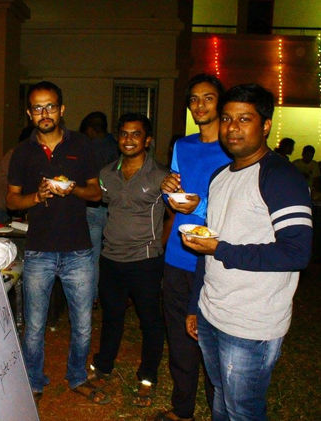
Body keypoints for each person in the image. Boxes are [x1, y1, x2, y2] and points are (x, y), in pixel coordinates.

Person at [184, 83, 312, 421]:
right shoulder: (220, 176)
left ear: (265, 125)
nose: (232, 128)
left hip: (251, 325)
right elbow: (209, 245)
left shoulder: (280, 176)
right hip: (212, 313)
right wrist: (196, 304)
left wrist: (221, 249)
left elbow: (297, 252)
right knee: (220, 399)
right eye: (227, 118)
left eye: (244, 119)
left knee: (243, 411)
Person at [6, 81, 108, 405]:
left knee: (83, 324)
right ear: (29, 113)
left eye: (50, 106)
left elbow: (96, 193)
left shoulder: (81, 144)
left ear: (61, 109)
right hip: (39, 250)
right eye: (38, 108)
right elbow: (11, 200)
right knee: (34, 325)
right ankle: (34, 381)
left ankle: (77, 376)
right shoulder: (22, 152)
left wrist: (73, 189)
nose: (45, 113)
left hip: (79, 250)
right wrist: (37, 196)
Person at [158, 73, 231, 421]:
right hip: (178, 255)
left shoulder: (232, 149)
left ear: (221, 103)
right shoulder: (183, 146)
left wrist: (199, 207)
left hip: (213, 258)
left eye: (208, 98)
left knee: (213, 342)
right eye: (194, 99)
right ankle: (182, 409)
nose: (199, 105)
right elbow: (176, 193)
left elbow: (234, 207)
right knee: (179, 339)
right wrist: (167, 189)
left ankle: (220, 411)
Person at [90, 113, 168, 408]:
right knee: (111, 317)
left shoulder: (161, 176)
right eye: (124, 133)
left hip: (144, 261)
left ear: (147, 140)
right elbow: (103, 203)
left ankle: (147, 377)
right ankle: (104, 366)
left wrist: (158, 247)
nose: (129, 139)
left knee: (150, 321)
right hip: (111, 258)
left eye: (136, 134)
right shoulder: (107, 173)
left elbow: (174, 214)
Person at [79, 111, 119, 304]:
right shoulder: (116, 145)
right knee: (112, 254)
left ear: (91, 130)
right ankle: (111, 295)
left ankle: (93, 296)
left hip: (93, 207)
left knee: (92, 254)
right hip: (114, 208)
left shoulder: (88, 149)